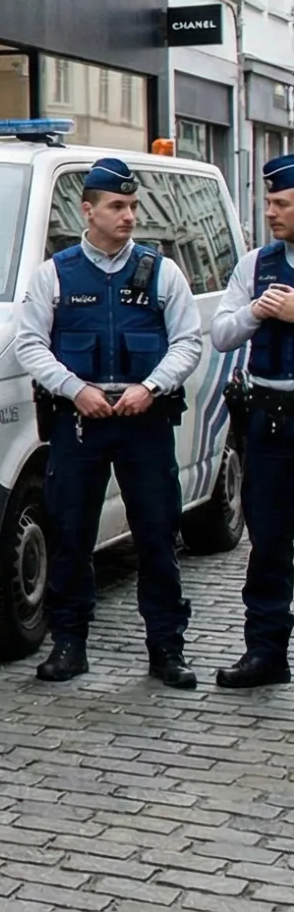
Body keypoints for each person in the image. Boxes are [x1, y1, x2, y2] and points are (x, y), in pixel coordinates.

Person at [9, 156, 204, 690]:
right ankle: (69, 645)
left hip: (145, 420)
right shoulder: (56, 274)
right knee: (71, 534)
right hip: (80, 422)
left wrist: (151, 387)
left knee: (157, 535)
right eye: (117, 206)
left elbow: (188, 341)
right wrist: (76, 389)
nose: (129, 216)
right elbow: (29, 343)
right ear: (87, 210)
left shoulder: (161, 272)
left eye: (133, 206)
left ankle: (167, 648)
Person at [207, 153, 294, 689]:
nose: (270, 212)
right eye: (268, 202)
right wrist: (255, 312)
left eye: (281, 203)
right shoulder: (256, 264)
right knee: (268, 542)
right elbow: (220, 335)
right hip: (271, 419)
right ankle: (265, 653)